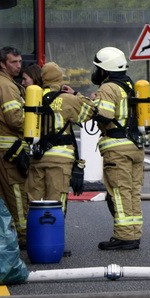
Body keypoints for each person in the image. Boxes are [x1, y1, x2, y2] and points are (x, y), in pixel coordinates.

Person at [88, 46, 146, 250]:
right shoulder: (130, 85)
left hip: (116, 148)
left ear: (104, 69)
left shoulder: (108, 88)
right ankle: (133, 233)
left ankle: (124, 236)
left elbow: (105, 116)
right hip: (135, 146)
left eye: (97, 68)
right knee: (132, 192)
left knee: (119, 193)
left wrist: (91, 105)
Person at [27, 62, 95, 208]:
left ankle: (35, 231)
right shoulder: (68, 99)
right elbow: (91, 110)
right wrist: (76, 94)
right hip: (60, 160)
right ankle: (54, 231)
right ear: (60, 79)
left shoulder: (33, 98)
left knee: (34, 203)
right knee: (56, 204)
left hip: (37, 157)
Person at [0, 46, 30, 245]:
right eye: (13, 62)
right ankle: (24, 235)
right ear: (2, 64)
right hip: (9, 146)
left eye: (20, 62)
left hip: (1, 146)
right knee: (17, 191)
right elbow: (15, 119)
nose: (18, 66)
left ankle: (1, 235)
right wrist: (35, 125)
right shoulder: (6, 86)